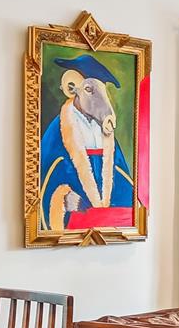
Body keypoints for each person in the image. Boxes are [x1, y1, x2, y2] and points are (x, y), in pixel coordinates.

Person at [38, 53, 134, 231]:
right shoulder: (57, 130)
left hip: (105, 221)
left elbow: (121, 176)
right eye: (90, 90)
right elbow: (45, 174)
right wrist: (63, 198)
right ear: (73, 89)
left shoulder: (106, 134)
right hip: (74, 218)